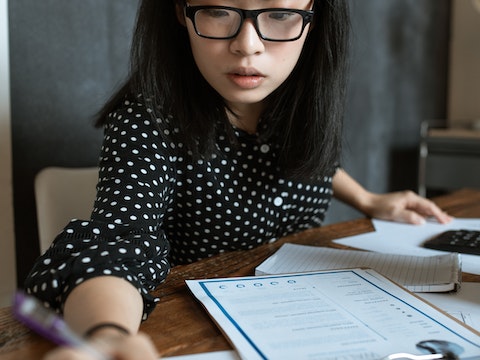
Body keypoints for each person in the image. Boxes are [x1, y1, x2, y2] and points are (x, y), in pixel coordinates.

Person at [26, 0, 451, 359]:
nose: (247, 45)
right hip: (201, 336)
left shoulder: (300, 102)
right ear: (180, 12)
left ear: (314, 17)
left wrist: (368, 199)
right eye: (217, 11)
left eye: (281, 15)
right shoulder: (149, 121)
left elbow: (309, 159)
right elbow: (115, 246)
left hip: (309, 327)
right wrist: (110, 336)